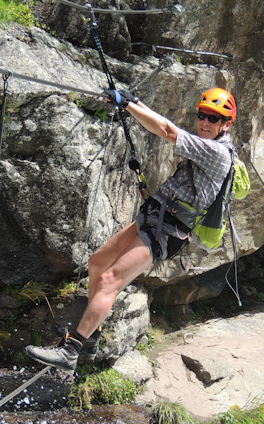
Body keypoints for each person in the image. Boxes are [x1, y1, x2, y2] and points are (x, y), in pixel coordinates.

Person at [26, 87, 237, 375]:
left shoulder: (217, 153)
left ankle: (71, 349)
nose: (205, 122)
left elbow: (167, 130)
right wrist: (135, 102)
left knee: (109, 280)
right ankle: (92, 337)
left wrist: (129, 105)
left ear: (226, 124)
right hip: (156, 216)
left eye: (214, 118)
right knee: (97, 263)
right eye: (202, 115)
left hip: (168, 231)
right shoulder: (206, 142)